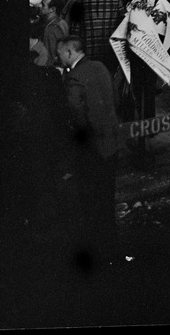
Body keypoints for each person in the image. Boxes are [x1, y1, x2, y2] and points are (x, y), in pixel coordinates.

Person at [56, 35, 120, 264]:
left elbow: (75, 114)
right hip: (111, 142)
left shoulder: (73, 77)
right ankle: (110, 245)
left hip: (92, 148)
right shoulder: (100, 67)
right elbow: (113, 97)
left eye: (60, 53)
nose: (58, 57)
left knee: (89, 201)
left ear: (70, 53)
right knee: (107, 198)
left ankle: (94, 251)